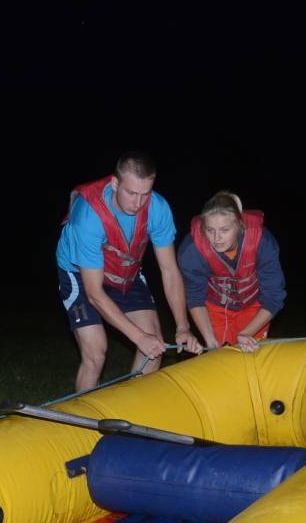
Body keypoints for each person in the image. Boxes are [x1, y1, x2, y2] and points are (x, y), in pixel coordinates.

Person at [56, 152, 201, 391]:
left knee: (154, 348)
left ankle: (131, 409)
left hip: (125, 270)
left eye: (145, 194)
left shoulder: (158, 208)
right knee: (95, 353)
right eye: (131, 193)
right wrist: (138, 336)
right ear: (115, 183)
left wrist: (182, 326)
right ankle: (82, 415)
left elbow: (169, 270)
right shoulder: (89, 216)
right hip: (80, 274)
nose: (138, 203)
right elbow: (94, 293)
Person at [177, 191, 286, 352]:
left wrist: (246, 333)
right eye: (210, 230)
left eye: (224, 229)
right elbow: (195, 298)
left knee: (251, 356)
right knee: (220, 356)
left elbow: (274, 297)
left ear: (240, 225)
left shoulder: (262, 241)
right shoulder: (191, 250)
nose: (216, 238)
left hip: (254, 305)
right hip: (215, 307)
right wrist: (210, 341)